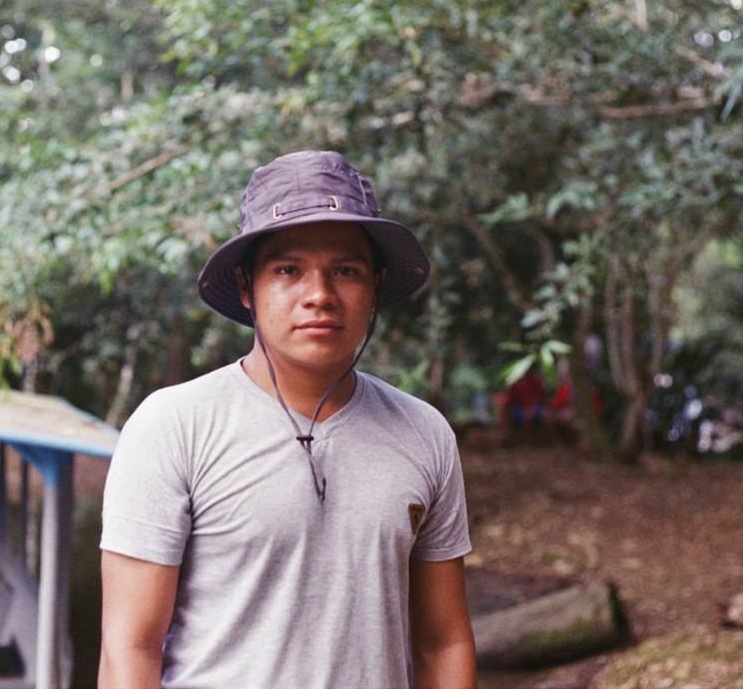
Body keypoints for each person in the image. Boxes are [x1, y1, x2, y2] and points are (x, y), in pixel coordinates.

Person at [98, 150, 475, 688]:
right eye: (288, 270)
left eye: (345, 271)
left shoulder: (424, 433)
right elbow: (128, 649)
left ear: (375, 287)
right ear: (247, 287)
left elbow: (444, 643)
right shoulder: (174, 425)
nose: (319, 295)